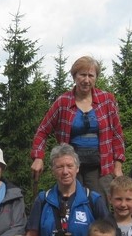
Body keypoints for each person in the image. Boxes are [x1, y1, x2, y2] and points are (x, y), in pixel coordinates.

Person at [31, 55, 125, 200]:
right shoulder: (63, 101)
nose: (86, 80)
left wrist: (117, 166)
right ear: (74, 76)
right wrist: (38, 157)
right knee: (72, 203)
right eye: (82, 75)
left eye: (90, 75)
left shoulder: (107, 100)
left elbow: (117, 134)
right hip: (70, 166)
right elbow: (42, 131)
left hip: (100, 166)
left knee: (99, 206)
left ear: (96, 78)